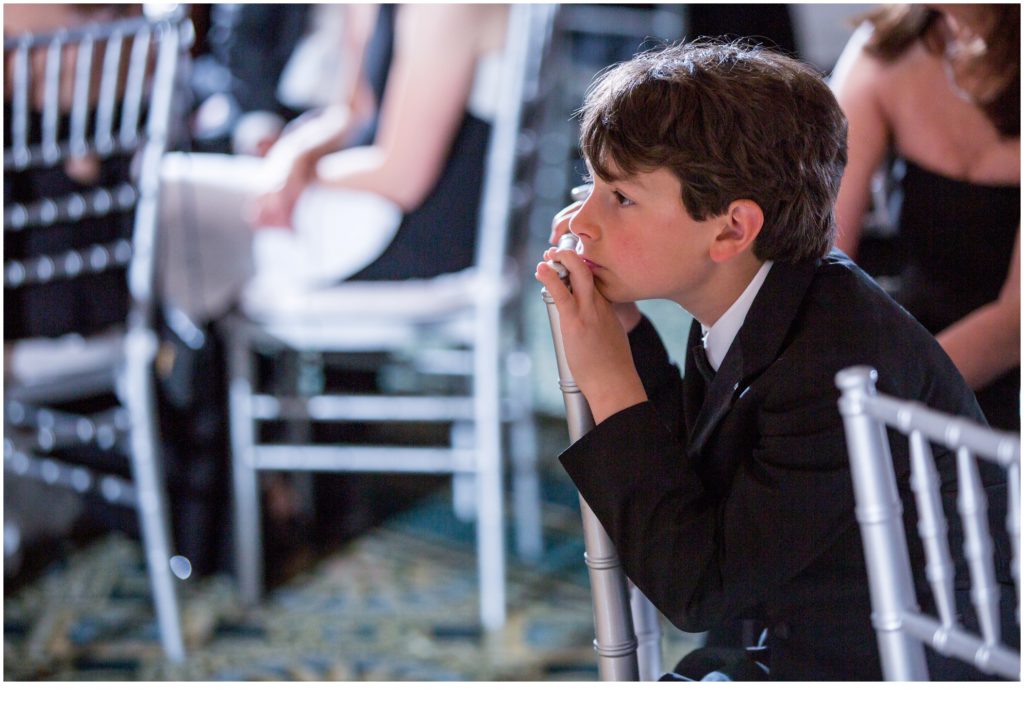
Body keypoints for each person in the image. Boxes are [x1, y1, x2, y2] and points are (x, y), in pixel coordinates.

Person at [535, 40, 1015, 680]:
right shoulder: (751, 293)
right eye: (591, 185)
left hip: (889, 670)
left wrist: (608, 378)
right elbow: (689, 482)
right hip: (793, 632)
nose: (582, 221)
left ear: (732, 230)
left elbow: (696, 587)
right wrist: (623, 333)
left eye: (620, 198)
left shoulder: (833, 364)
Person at [830, 4, 1020, 431]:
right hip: (906, 331)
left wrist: (884, 397)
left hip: (1006, 368)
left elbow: (1015, 322)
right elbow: (820, 244)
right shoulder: (887, 49)